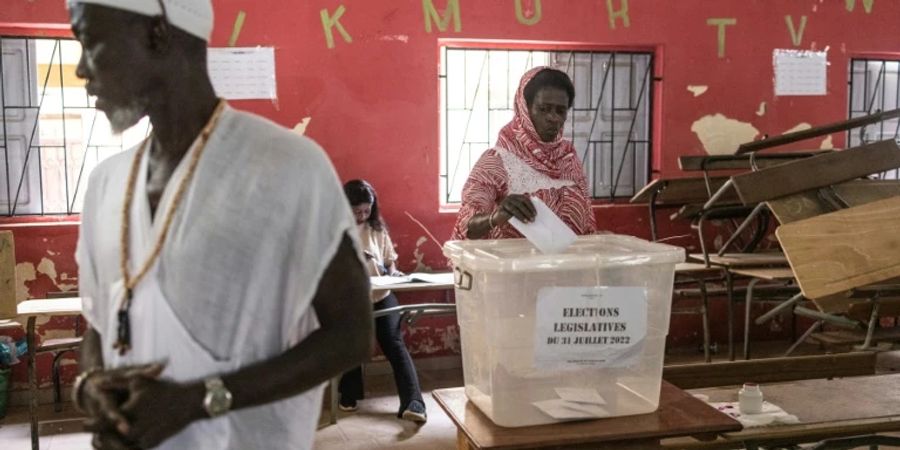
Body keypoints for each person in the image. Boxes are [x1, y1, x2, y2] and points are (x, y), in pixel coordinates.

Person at [69, 1, 372, 449]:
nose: (80, 69)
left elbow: (352, 335)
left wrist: (198, 400)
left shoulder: (288, 166)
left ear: (158, 34)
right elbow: (100, 323)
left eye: (90, 42)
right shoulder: (104, 183)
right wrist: (92, 384)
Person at [451, 67, 597, 240]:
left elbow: (586, 220)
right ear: (525, 109)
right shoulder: (497, 161)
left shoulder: (568, 158)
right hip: (514, 265)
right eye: (543, 109)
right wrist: (496, 217)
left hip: (568, 265)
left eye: (560, 111)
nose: (553, 118)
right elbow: (467, 226)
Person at [338, 180, 427, 424]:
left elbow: (390, 261)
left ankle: (414, 402)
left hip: (382, 294)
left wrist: (392, 271)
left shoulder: (376, 228)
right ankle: (349, 394)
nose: (362, 216)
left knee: (394, 342)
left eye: (367, 210)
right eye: (357, 211)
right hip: (351, 299)